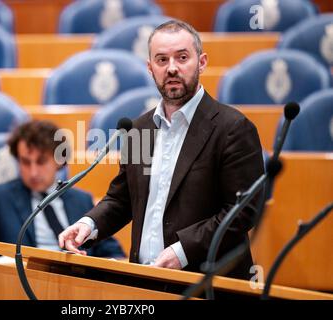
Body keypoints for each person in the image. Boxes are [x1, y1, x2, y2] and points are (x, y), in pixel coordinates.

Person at [59, 20, 264, 280]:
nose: (172, 68)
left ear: (201, 62)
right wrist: (88, 225)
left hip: (207, 283)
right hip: (145, 281)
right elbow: (122, 200)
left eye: (182, 57)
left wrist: (182, 251)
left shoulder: (233, 128)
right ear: (150, 68)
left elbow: (243, 211)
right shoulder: (139, 129)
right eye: (162, 60)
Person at [0, 120, 125, 260]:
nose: (33, 172)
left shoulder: (81, 200)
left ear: (59, 161)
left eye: (41, 161)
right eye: (25, 162)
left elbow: (110, 251)